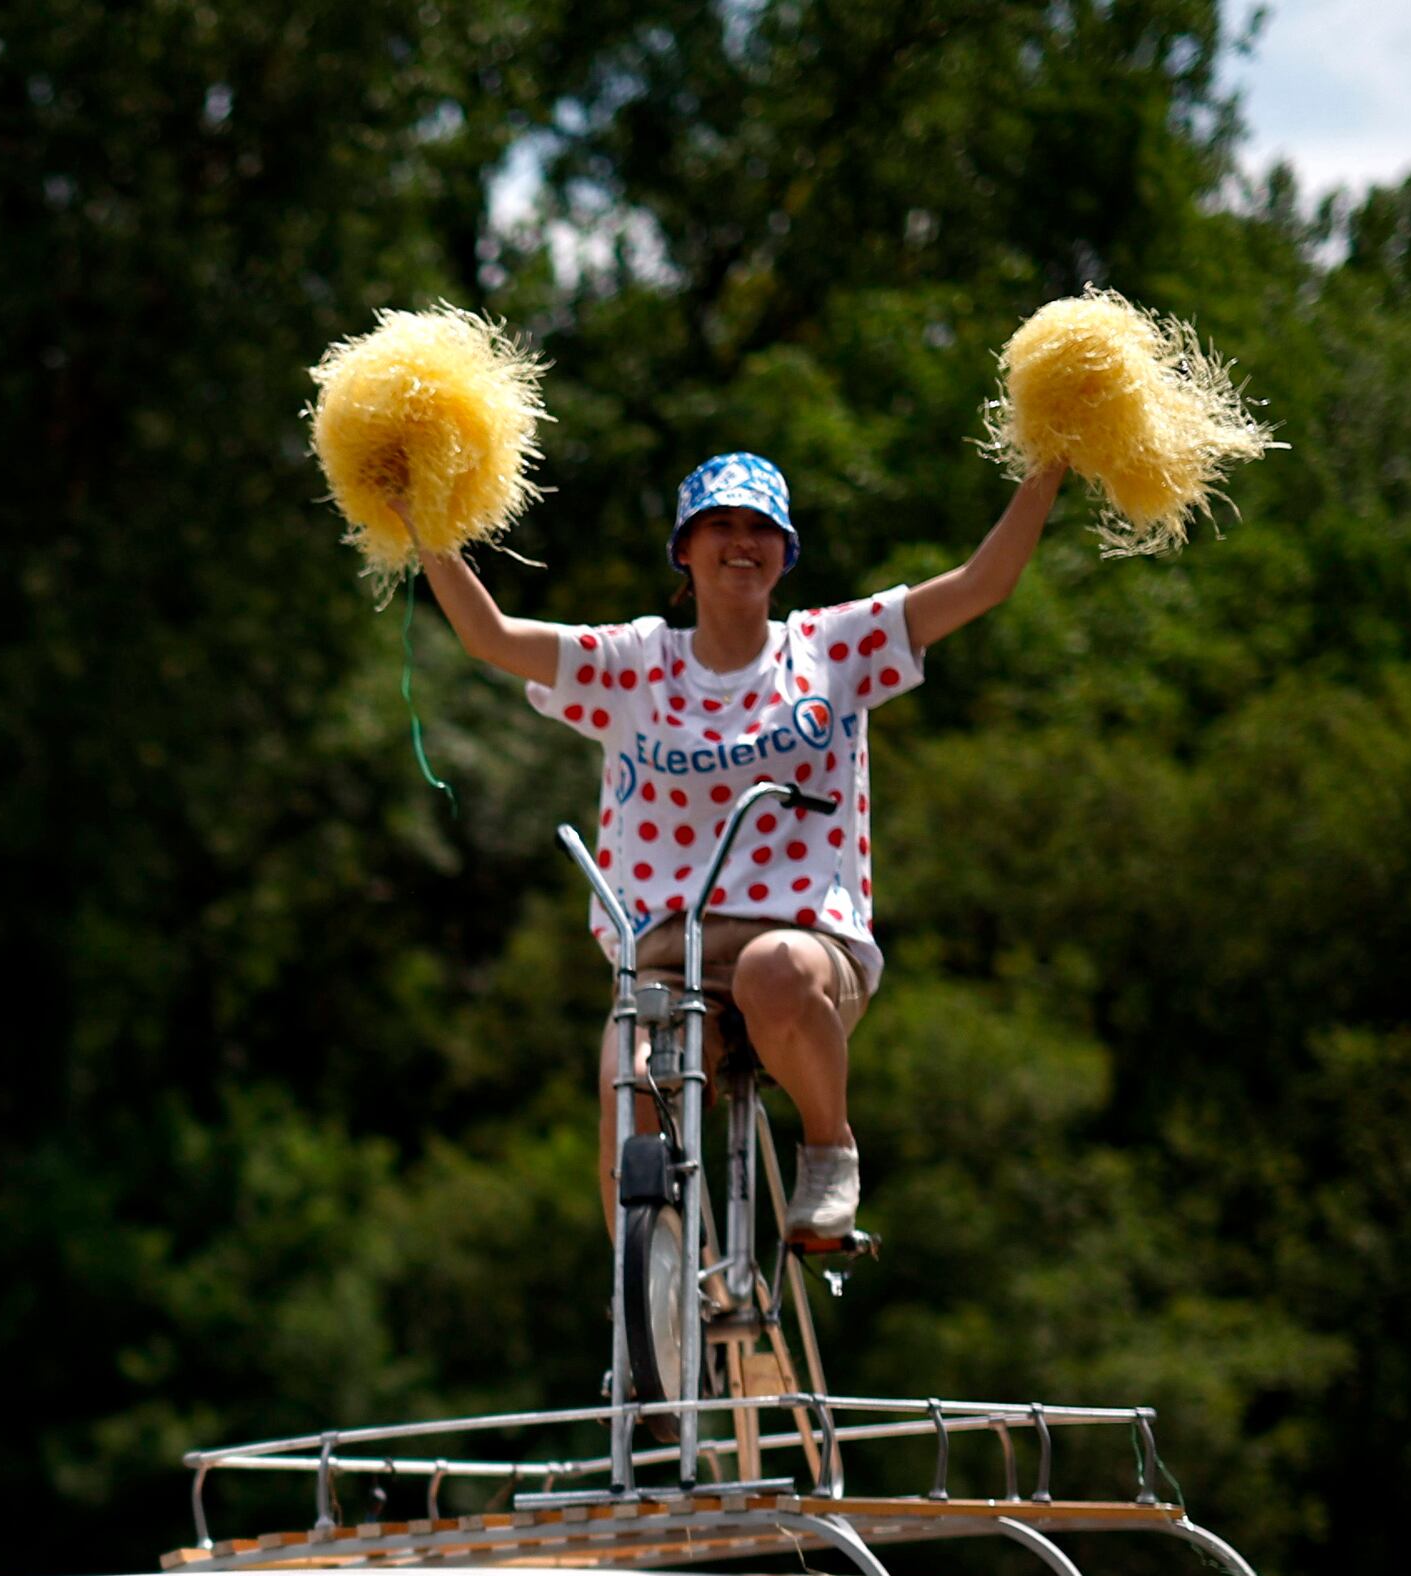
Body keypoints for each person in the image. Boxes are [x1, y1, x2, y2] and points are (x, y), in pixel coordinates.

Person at [420, 449, 1064, 1249]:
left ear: (785, 553)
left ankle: (829, 1150)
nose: (741, 542)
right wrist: (420, 517)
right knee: (630, 1068)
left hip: (804, 948)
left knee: (773, 970)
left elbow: (979, 586)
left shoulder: (831, 650)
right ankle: (649, 1302)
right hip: (667, 956)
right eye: (720, 524)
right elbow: (489, 637)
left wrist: (1047, 465)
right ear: (684, 551)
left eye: (762, 527)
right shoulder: (634, 665)